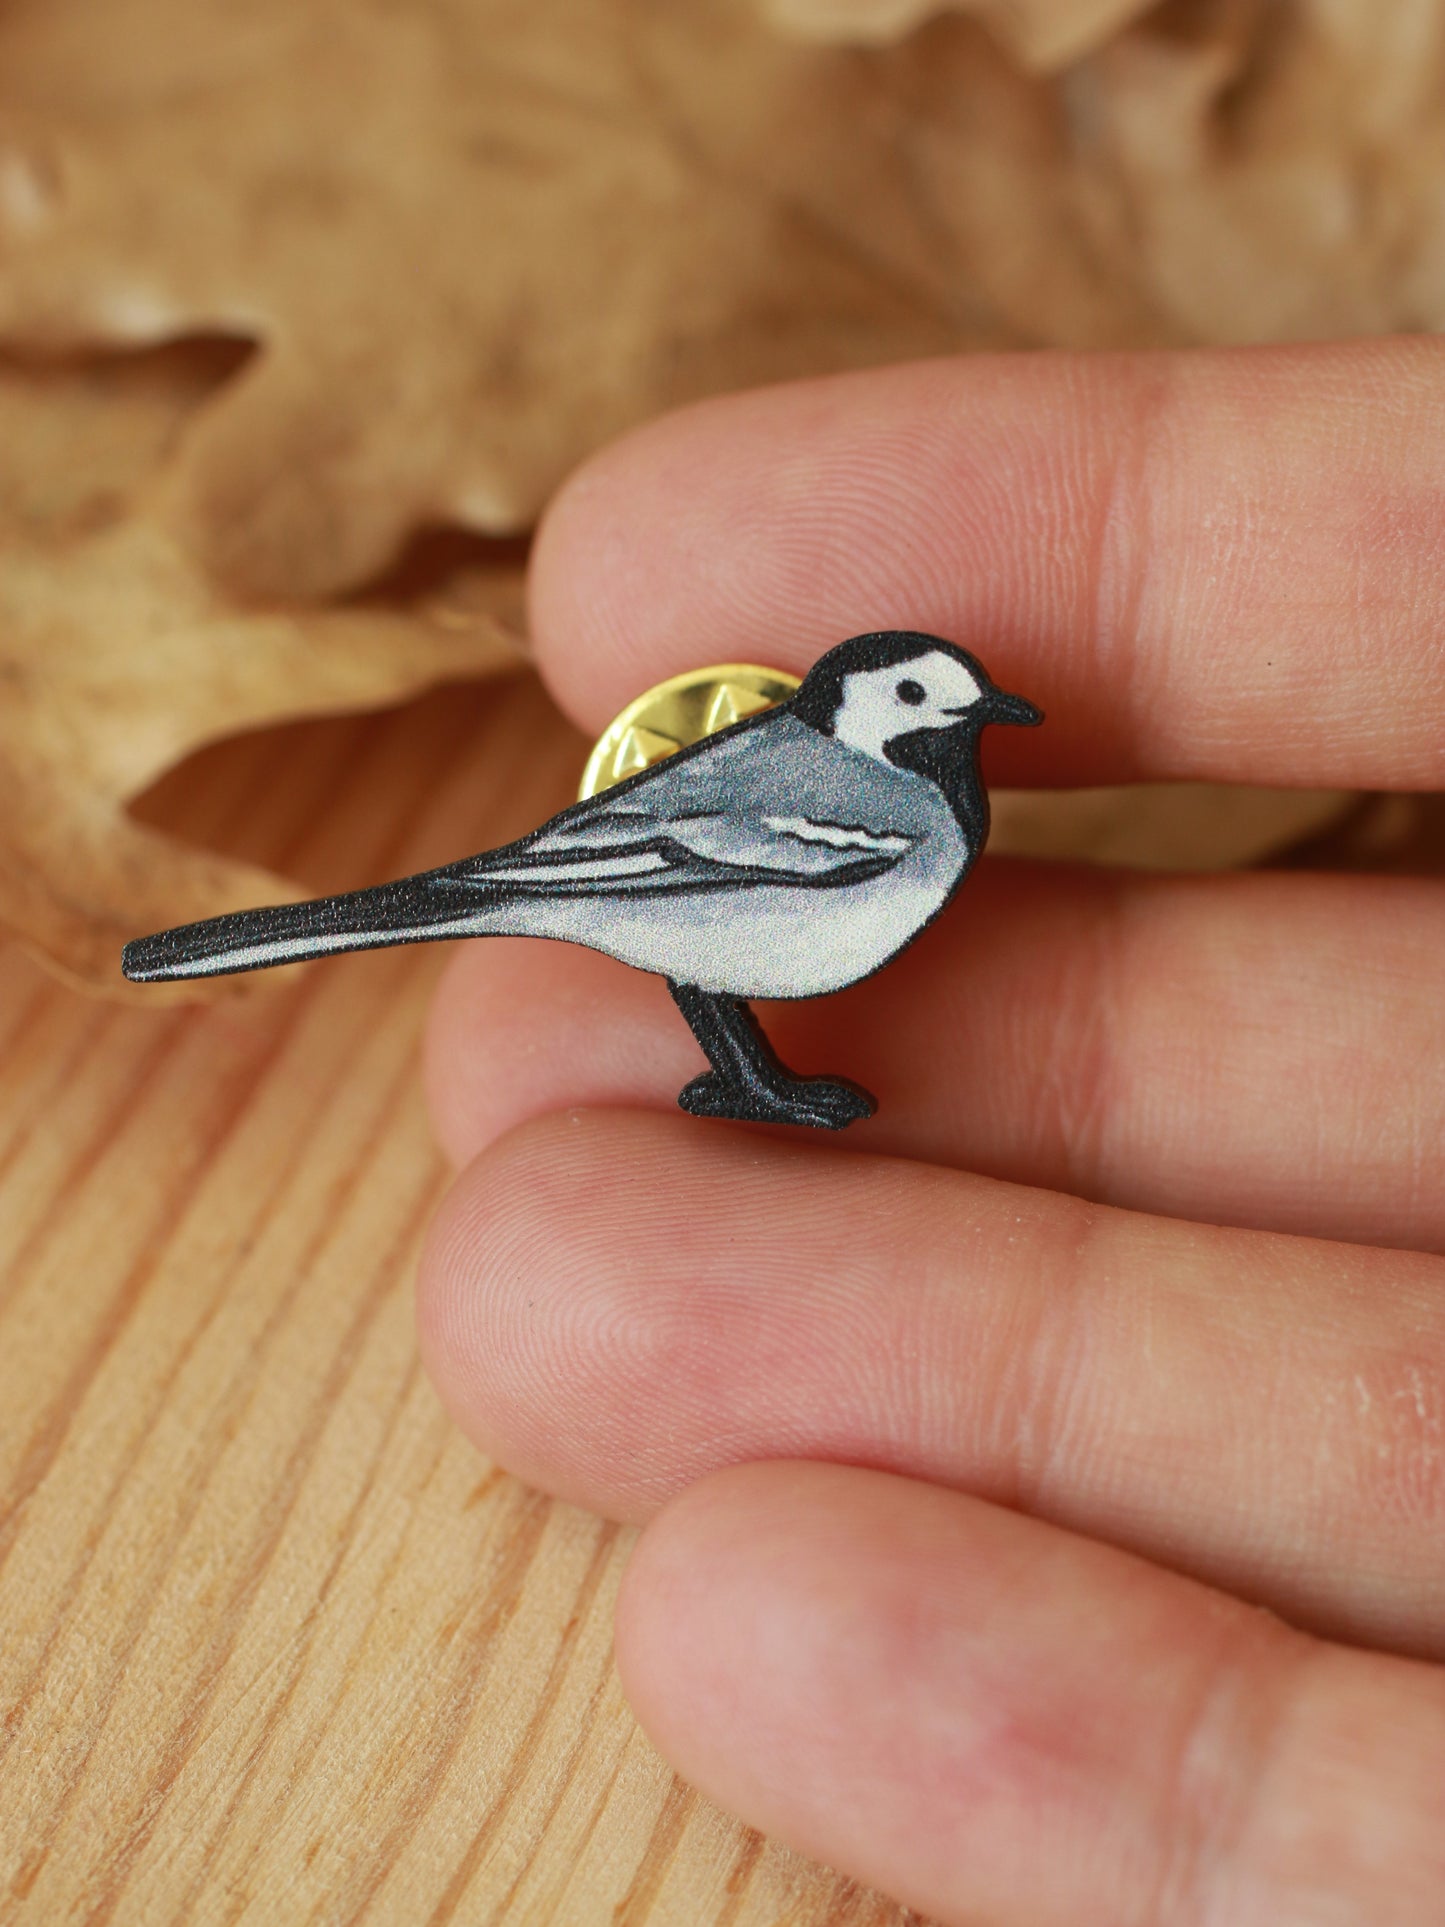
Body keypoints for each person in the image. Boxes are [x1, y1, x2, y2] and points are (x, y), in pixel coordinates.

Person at [415, 338, 1445, 1925]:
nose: (956, 719)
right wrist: (525, 889)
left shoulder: (911, 804)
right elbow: (685, 876)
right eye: (922, 700)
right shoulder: (880, 808)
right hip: (642, 894)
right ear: (850, 708)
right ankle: (742, 1076)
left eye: (959, 704)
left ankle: (743, 1075)